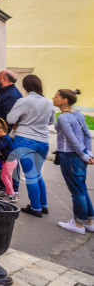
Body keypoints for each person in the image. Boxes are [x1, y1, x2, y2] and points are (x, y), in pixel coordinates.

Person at [7, 74, 55, 217]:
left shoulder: (24, 101)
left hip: (25, 139)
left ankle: (35, 207)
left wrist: (24, 119)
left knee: (30, 175)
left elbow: (10, 118)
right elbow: (51, 121)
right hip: (43, 140)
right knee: (38, 174)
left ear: (26, 86)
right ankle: (43, 205)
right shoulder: (49, 102)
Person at [53, 89, 94, 234]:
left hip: (70, 156)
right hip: (79, 155)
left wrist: (84, 155)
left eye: (56, 96)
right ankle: (89, 221)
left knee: (77, 191)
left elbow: (73, 140)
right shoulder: (77, 113)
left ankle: (78, 224)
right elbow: (87, 136)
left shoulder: (63, 118)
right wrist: (88, 153)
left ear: (64, 100)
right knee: (81, 189)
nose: (53, 98)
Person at [0, 118, 17, 202]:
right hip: (9, 161)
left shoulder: (6, 139)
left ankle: (12, 194)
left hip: (9, 161)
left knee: (4, 177)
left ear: (0, 130)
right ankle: (7, 191)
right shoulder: (3, 138)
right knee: (8, 177)